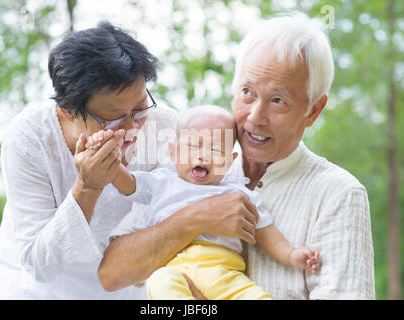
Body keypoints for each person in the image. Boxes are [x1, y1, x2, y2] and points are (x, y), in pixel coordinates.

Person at [98, 13, 375, 299]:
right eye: (247, 92)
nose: (255, 117)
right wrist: (193, 218)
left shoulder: (339, 194)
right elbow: (111, 275)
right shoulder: (184, 169)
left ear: (313, 111)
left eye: (278, 100)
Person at [0, 21, 178, 299]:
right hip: (33, 289)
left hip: (120, 285)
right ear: (68, 112)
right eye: (115, 119)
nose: (132, 128)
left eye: (140, 108)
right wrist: (87, 189)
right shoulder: (29, 138)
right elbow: (39, 265)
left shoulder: (164, 126)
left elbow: (172, 217)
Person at [90, 105, 320, 300]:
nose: (203, 156)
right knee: (159, 283)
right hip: (173, 269)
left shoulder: (238, 193)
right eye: (193, 146)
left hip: (222, 270)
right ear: (173, 152)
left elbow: (266, 231)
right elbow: (128, 184)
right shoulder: (162, 181)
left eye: (215, 149)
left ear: (230, 162)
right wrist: (108, 157)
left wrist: (291, 254)